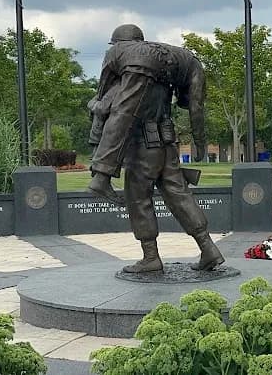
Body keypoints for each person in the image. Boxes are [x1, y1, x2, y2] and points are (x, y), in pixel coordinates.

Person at [86, 24, 224, 273]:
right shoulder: (163, 78)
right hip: (167, 143)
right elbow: (194, 105)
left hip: (143, 145)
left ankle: (150, 257)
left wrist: (95, 109)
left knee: (138, 198)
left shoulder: (128, 79)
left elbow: (115, 113)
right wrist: (199, 140)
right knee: (179, 194)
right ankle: (208, 248)